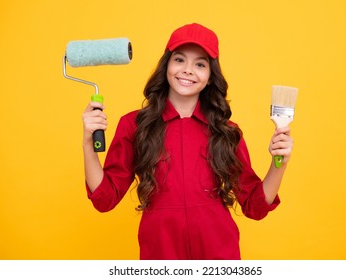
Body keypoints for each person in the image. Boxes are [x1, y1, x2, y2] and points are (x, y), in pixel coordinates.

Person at [82, 23, 294, 260]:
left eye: (200, 64)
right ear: (167, 65)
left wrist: (280, 163)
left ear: (211, 75)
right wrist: (88, 143)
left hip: (219, 254)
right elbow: (104, 198)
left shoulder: (226, 132)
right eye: (180, 60)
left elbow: (255, 206)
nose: (188, 70)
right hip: (160, 253)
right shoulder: (135, 125)